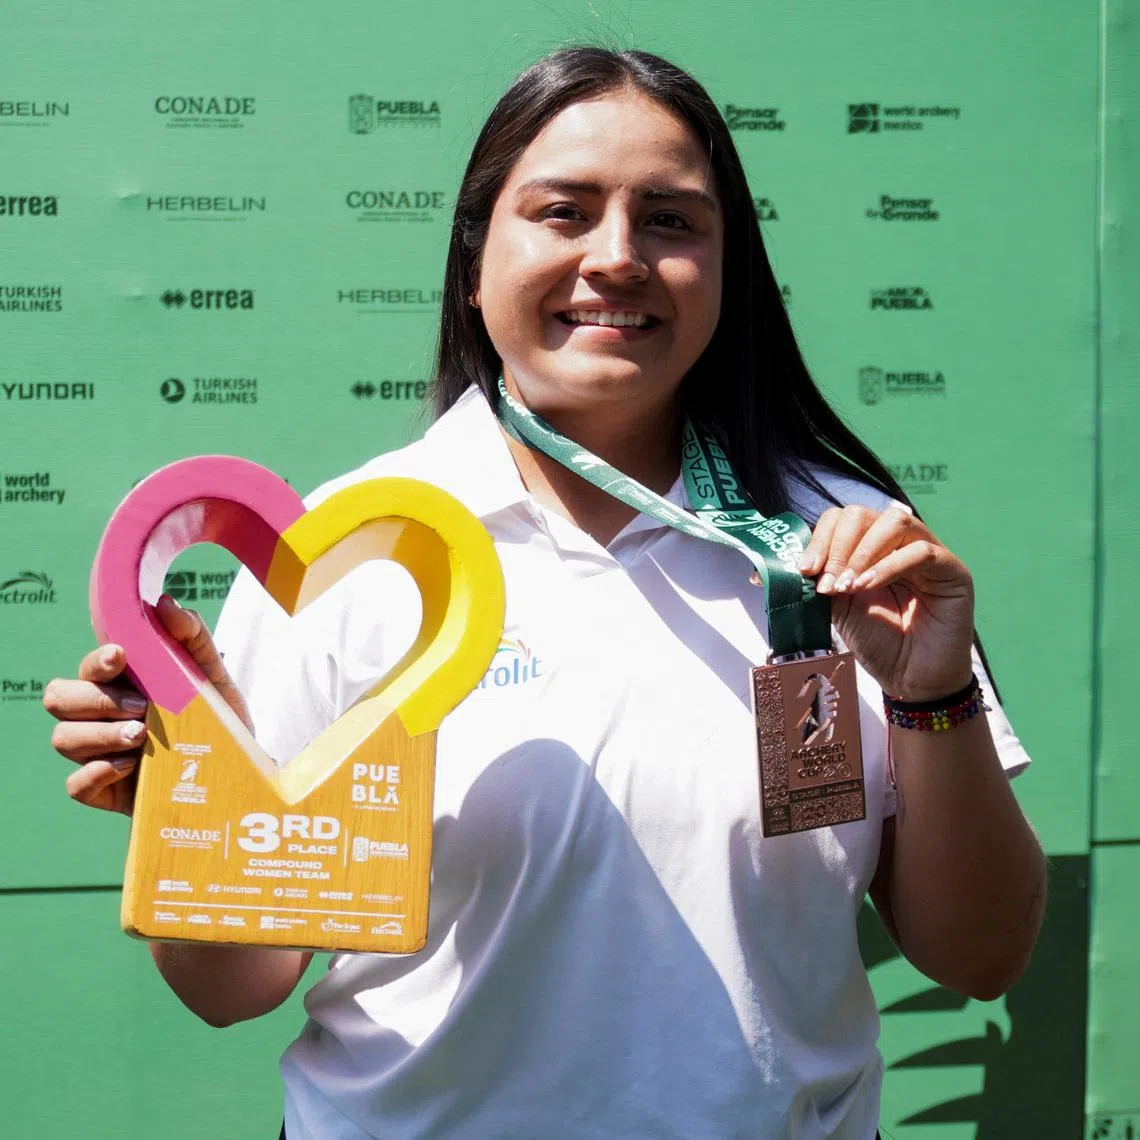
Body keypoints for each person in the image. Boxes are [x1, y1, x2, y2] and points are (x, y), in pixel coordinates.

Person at [44, 47, 1044, 1140]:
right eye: (564, 212)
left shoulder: (842, 550)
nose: (617, 258)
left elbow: (982, 955)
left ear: (728, 267)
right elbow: (232, 989)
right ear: (477, 255)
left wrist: (931, 694)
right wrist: (193, 818)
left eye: (671, 220)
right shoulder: (351, 550)